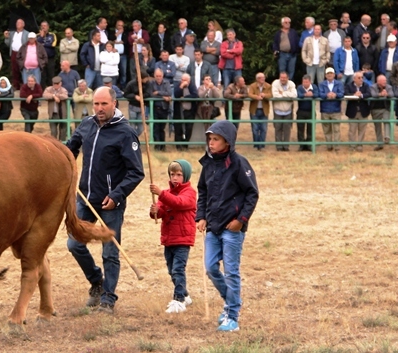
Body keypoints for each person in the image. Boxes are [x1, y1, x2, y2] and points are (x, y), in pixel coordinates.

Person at [66, 86, 144, 315]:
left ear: (114, 104)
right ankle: (97, 282)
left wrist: (116, 195)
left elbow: (136, 172)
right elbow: (70, 149)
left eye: (104, 104)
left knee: (110, 252)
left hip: (111, 203)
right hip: (85, 198)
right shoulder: (87, 124)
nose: (99, 108)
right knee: (74, 244)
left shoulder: (125, 133)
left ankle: (108, 298)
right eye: (96, 104)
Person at [197, 120, 259, 332]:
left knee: (231, 271)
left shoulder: (239, 163)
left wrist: (241, 220)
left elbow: (252, 193)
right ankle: (230, 301)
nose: (211, 143)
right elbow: (203, 191)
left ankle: (232, 316)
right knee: (210, 268)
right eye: (210, 139)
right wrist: (201, 216)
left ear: (228, 142)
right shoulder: (208, 163)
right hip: (212, 227)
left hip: (232, 228)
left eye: (216, 139)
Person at [149, 159, 196, 313]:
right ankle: (186, 295)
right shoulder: (167, 194)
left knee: (178, 269)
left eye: (179, 175)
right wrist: (155, 211)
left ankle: (179, 300)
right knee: (171, 270)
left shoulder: (190, 193)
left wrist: (161, 194)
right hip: (169, 239)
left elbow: (179, 203)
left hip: (182, 239)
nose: (175, 178)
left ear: (186, 176)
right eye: (172, 174)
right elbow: (162, 211)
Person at [318, 67, 344, 151]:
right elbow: (320, 94)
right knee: (327, 129)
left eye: (331, 73)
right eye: (328, 74)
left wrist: (335, 95)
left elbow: (342, 93)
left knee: (336, 129)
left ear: (334, 75)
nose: (329, 75)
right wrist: (327, 95)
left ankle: (337, 146)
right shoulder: (322, 84)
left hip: (336, 109)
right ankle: (329, 146)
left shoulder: (339, 84)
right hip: (325, 110)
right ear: (325, 75)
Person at [344, 71, 371, 151]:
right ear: (354, 79)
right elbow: (345, 93)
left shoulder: (366, 85)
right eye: (359, 78)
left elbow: (369, 94)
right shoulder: (349, 85)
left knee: (362, 130)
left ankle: (359, 146)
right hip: (352, 111)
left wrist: (361, 95)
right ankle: (352, 146)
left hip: (363, 111)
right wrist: (354, 95)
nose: (361, 79)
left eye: (362, 77)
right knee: (352, 130)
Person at [271, 72, 297, 151]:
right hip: (277, 110)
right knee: (277, 128)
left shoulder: (291, 84)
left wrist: (283, 93)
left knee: (287, 129)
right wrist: (287, 95)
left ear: (287, 78)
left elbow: (294, 95)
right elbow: (275, 95)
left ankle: (286, 146)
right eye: (281, 77)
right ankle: (278, 146)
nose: (282, 79)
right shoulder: (275, 83)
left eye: (284, 78)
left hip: (288, 110)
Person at [172, 73, 198, 150]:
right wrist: (181, 87)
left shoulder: (192, 86)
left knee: (189, 128)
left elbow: (195, 95)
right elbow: (176, 94)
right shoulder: (178, 85)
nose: (183, 81)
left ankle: (185, 145)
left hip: (189, 111)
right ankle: (179, 146)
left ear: (189, 81)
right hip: (179, 110)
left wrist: (185, 98)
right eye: (182, 80)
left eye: (185, 80)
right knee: (178, 128)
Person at [247, 72, 271, 150]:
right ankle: (256, 144)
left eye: (263, 77)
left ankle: (262, 145)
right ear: (257, 79)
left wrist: (265, 95)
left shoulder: (268, 86)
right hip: (254, 110)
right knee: (255, 128)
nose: (263, 79)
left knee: (264, 128)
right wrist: (256, 97)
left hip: (264, 110)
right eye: (261, 78)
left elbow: (271, 95)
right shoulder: (252, 86)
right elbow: (249, 94)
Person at [124, 71, 152, 136]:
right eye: (145, 78)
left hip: (142, 107)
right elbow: (126, 94)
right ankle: (132, 139)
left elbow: (149, 93)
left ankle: (133, 137)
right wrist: (134, 96)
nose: (147, 80)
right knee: (132, 126)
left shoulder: (148, 84)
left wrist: (141, 96)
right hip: (132, 107)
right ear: (141, 78)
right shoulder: (131, 84)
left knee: (141, 128)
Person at [369, 74, 393, 150]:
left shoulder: (388, 87)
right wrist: (380, 94)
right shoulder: (373, 87)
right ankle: (380, 144)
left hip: (385, 108)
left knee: (386, 120)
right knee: (377, 127)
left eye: (385, 80)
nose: (385, 82)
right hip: (375, 109)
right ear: (378, 82)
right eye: (383, 81)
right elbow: (373, 94)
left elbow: (392, 94)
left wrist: (387, 94)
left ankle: (387, 137)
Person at [150, 68, 172, 150]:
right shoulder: (151, 83)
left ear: (162, 76)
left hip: (164, 108)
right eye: (157, 76)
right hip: (155, 108)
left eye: (160, 76)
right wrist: (163, 96)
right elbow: (151, 94)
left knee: (162, 128)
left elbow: (169, 93)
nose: (158, 77)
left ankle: (163, 146)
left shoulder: (166, 82)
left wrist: (158, 93)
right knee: (156, 128)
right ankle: (157, 146)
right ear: (154, 76)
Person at [43, 76, 69, 141]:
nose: (56, 85)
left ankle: (62, 145)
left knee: (63, 131)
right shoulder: (49, 89)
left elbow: (65, 96)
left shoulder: (63, 90)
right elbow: (45, 95)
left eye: (57, 84)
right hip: (53, 114)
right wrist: (53, 96)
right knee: (53, 132)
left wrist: (57, 95)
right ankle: (54, 145)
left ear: (60, 83)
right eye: (54, 84)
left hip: (62, 114)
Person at [296, 74, 317, 151]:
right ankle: (301, 145)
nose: (305, 83)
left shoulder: (314, 87)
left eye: (306, 82)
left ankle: (309, 145)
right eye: (304, 82)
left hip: (311, 111)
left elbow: (317, 94)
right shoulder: (299, 87)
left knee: (310, 128)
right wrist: (305, 94)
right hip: (301, 110)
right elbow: (298, 95)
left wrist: (313, 94)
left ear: (310, 82)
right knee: (300, 128)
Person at [38, 21, 58, 87]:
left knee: (51, 74)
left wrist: (43, 44)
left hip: (50, 58)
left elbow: (53, 45)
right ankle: (43, 90)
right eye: (42, 25)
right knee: (42, 75)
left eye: (45, 25)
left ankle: (51, 89)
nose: (43, 27)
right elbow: (37, 45)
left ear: (48, 27)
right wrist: (41, 37)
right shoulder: (37, 35)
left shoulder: (52, 35)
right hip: (41, 59)